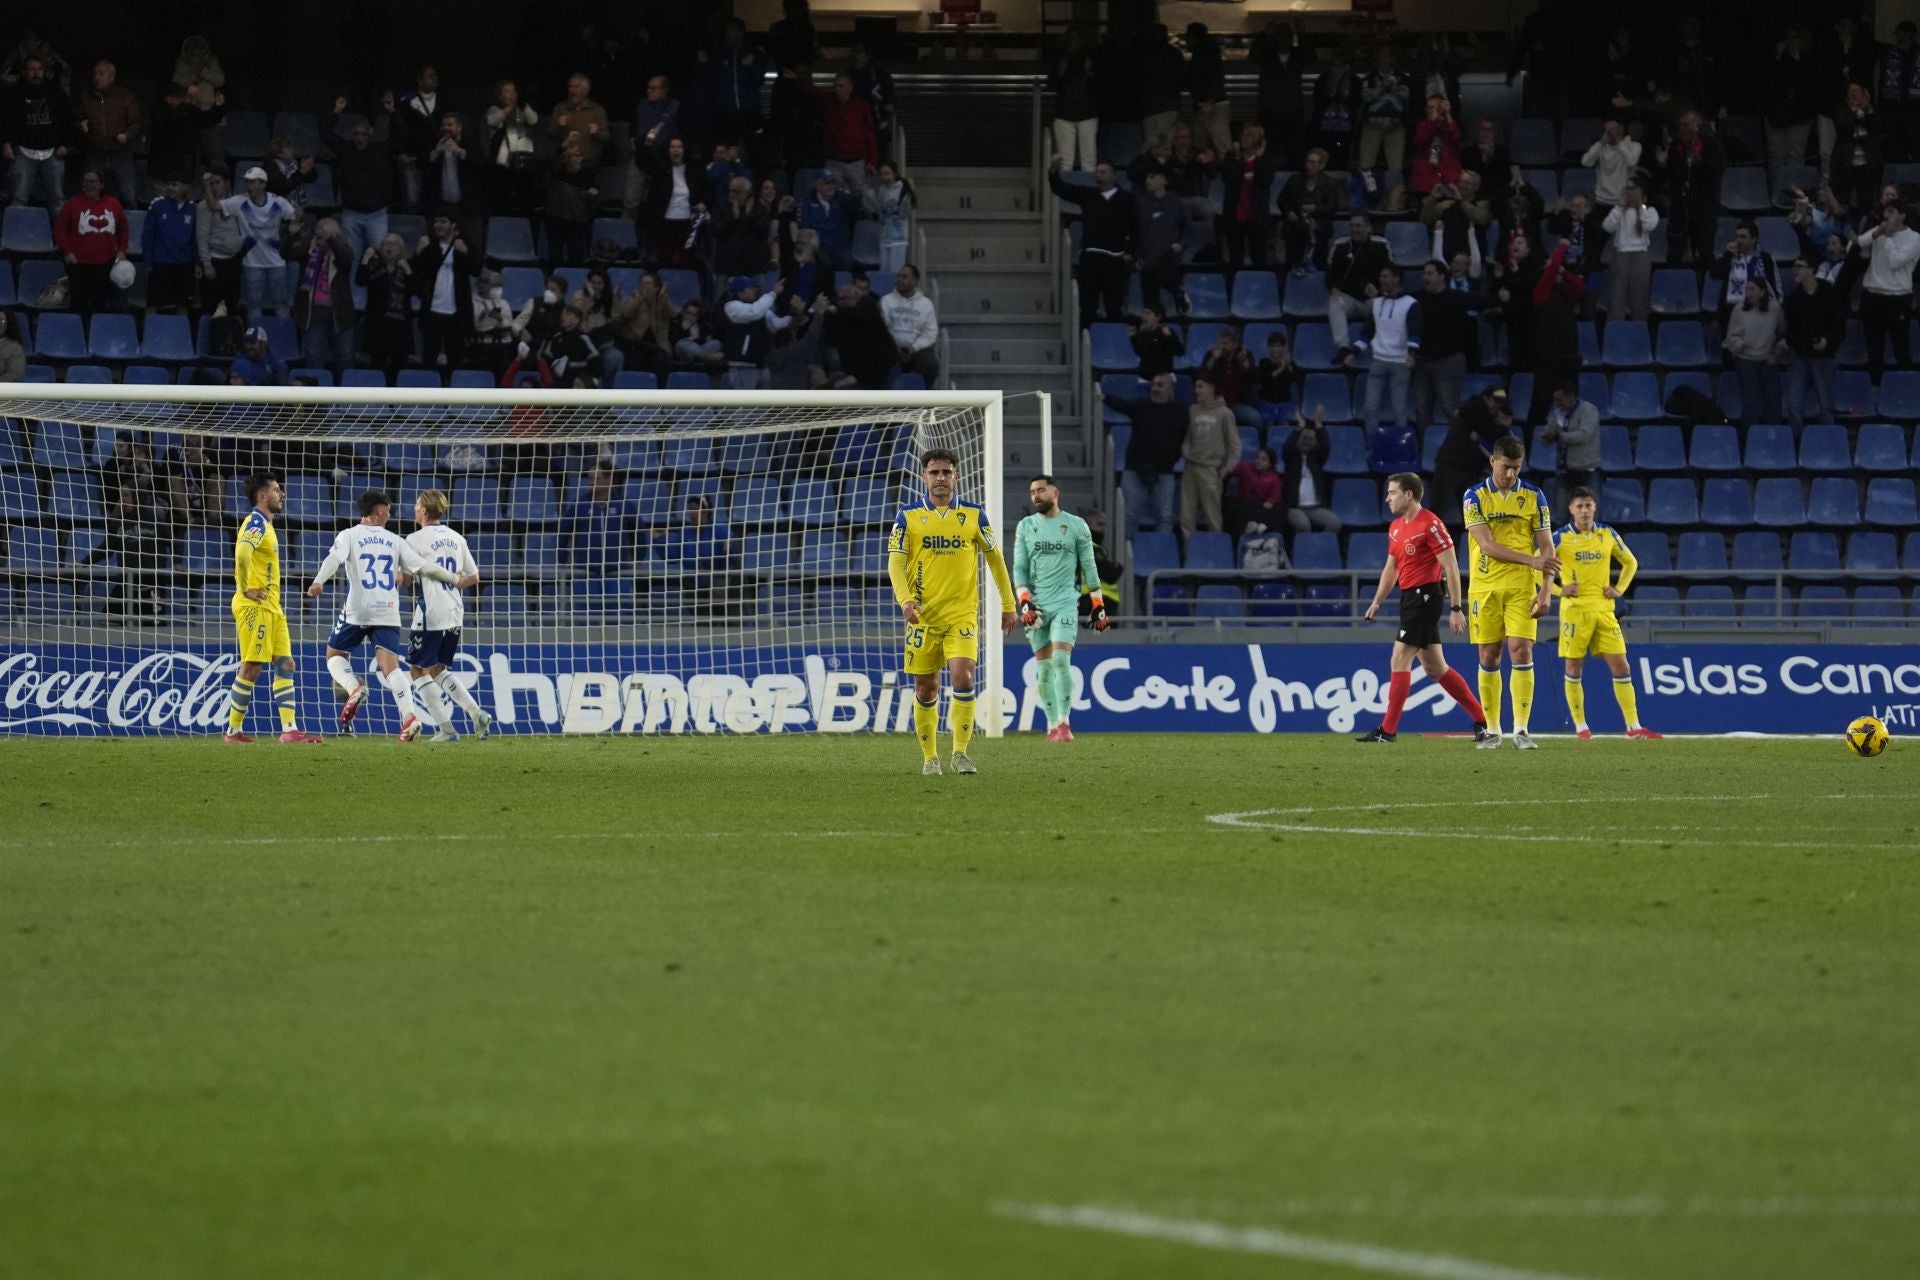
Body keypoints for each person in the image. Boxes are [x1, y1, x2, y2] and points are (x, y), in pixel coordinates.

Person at [887, 449, 1017, 776]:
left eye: (946, 472)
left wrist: (1008, 604)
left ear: (956, 476)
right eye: (934, 472)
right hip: (923, 617)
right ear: (924, 477)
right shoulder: (908, 516)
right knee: (926, 688)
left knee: (963, 676)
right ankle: (930, 758)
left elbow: (996, 560)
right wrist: (905, 600)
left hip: (962, 616)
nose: (941, 478)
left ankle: (960, 753)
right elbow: (895, 563)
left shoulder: (974, 515)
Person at [307, 489, 461, 742]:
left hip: (359, 609)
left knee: (334, 654)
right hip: (388, 611)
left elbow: (334, 558)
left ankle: (354, 688)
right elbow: (423, 567)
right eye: (388, 511)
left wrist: (318, 581)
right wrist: (453, 578)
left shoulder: (349, 535)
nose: (390, 515)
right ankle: (409, 717)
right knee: (391, 668)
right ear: (378, 512)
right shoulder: (395, 540)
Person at [1355, 473, 1491, 744]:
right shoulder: (1395, 527)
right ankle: (1482, 720)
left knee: (1399, 657)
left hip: (1426, 597)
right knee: (1435, 668)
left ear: (1409, 494)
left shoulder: (1431, 524)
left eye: (1392, 492)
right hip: (1410, 599)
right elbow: (1391, 568)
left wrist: (1456, 607)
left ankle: (1387, 731)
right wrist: (1377, 601)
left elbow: (1451, 566)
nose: (1387, 498)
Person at [1462, 435, 1559, 750]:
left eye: (1516, 468)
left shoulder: (1534, 496)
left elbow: (1547, 548)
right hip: (1485, 587)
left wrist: (1546, 591)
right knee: (1489, 655)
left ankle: (1521, 730)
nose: (1510, 474)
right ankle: (1492, 730)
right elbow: (1487, 546)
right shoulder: (1474, 497)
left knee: (1522, 650)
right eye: (1505, 467)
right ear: (1493, 461)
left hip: (1521, 587)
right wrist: (1531, 560)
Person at [1552, 487, 1662, 741]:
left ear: (1594, 508)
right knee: (1574, 667)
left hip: (1604, 611)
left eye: (1588, 506)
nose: (1584, 511)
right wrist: (1559, 590)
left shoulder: (1607, 533)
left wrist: (1619, 589)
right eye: (1579, 506)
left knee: (1621, 665)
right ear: (1571, 509)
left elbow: (1631, 562)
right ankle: (1581, 727)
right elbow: (1536, 567)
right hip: (1575, 612)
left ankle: (1633, 726)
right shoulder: (1560, 537)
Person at [223, 474, 324, 744]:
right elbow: (242, 553)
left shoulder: (266, 525)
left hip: (272, 607)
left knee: (286, 664)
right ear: (262, 496)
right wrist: (244, 588)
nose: (282, 494)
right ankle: (233, 731)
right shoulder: (255, 522)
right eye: (277, 490)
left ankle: (289, 729)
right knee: (252, 666)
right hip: (254, 606)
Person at [1014, 474, 1109, 743]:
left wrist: (1098, 603)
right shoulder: (1026, 526)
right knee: (1043, 668)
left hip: (1066, 602)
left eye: (1041, 490)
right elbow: (1019, 567)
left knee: (1060, 660)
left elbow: (1089, 565)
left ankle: (1065, 723)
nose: (1036, 495)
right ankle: (1052, 724)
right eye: (1032, 492)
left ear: (1056, 493)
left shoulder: (1076, 525)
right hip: (1036, 606)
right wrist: (1024, 601)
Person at [401, 488, 489, 743]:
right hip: (454, 611)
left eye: (417, 505)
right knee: (437, 668)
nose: (414, 508)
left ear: (424, 510)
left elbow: (405, 580)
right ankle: (476, 713)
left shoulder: (414, 539)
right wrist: (453, 581)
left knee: (417, 670)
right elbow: (474, 577)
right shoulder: (456, 538)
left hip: (431, 612)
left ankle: (447, 730)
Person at [1048, 153, 1135, 329]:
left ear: (1113, 175)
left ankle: (1112, 341)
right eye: (1097, 172)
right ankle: (1084, 339)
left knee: (1114, 307)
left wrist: (1130, 251)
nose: (1098, 176)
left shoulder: (1126, 199)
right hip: (1091, 257)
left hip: (1114, 259)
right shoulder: (1088, 194)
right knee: (1087, 307)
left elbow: (1135, 228)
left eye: (1103, 172)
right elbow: (1060, 188)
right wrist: (1054, 169)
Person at [1097, 372, 1183, 533]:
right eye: (1154, 385)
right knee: (1130, 515)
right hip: (1135, 468)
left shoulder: (1180, 412)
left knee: (1165, 517)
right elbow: (1123, 405)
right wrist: (1105, 397)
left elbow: (1184, 438)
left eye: (1160, 385)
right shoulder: (1140, 406)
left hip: (1165, 471)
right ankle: (1125, 548)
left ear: (1170, 388)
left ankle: (1161, 549)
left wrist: (1173, 458)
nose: (1155, 388)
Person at [220, 167, 297, 318]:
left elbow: (295, 214)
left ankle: (283, 331)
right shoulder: (239, 201)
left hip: (276, 261)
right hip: (252, 263)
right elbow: (215, 206)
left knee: (281, 304)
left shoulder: (277, 200)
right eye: (247, 182)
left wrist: (293, 226)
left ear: (263, 184)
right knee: (254, 305)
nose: (248, 185)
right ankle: (254, 333)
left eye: (252, 182)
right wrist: (207, 185)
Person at [1855, 201, 1920, 380]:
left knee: (1901, 348)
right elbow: (1860, 242)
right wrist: (1877, 233)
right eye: (1885, 212)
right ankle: (1875, 389)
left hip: (1897, 298)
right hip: (1872, 296)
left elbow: (1896, 262)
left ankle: (1905, 387)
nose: (1886, 216)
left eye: (1891, 212)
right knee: (1874, 349)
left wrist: (1889, 237)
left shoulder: (1915, 238)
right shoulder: (1880, 231)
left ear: (1902, 216)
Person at [1782, 255, 1844, 429]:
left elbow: (1839, 326)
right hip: (1800, 356)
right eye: (1794, 266)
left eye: (1799, 266)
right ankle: (1796, 439)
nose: (1795, 270)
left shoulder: (1829, 293)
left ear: (1811, 270)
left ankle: (1827, 439)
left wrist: (1827, 342)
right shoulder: (1794, 298)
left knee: (1826, 404)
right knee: (1794, 403)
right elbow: (1790, 330)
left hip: (1823, 357)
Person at [54, 168, 128, 316]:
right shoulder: (72, 203)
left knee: (99, 304)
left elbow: (123, 229)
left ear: (101, 185)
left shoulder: (113, 203)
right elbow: (59, 229)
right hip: (78, 263)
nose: (89, 185)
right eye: (86, 181)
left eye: (93, 181)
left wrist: (121, 250)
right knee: (77, 304)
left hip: (105, 262)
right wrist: (67, 252)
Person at [289, 216, 357, 375]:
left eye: (327, 232)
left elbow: (344, 258)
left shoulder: (344, 250)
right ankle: (316, 390)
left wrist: (331, 240)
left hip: (340, 313)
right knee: (314, 357)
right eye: (320, 230)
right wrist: (294, 236)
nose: (322, 235)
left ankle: (346, 390)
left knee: (345, 357)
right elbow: (287, 254)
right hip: (313, 313)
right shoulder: (308, 251)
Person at [1358, 264, 1420, 435]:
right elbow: (1368, 331)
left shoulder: (1410, 304)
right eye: (1381, 276)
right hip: (1378, 361)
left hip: (1400, 363)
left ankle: (1400, 446)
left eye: (1385, 276)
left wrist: (1412, 354)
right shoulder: (1376, 303)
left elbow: (1415, 332)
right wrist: (1353, 352)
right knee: (1369, 408)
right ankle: (1372, 445)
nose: (1381, 280)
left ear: (1396, 279)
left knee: (1399, 410)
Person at [3, 54, 68, 210]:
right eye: (32, 69)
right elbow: (5, 120)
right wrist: (6, 143)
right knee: (18, 197)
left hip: (52, 152)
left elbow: (66, 119)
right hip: (23, 151)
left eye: (39, 69)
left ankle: (60, 227)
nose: (36, 73)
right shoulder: (13, 93)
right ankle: (17, 227)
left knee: (57, 199)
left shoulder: (56, 92)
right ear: (25, 71)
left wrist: (65, 144)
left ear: (44, 71)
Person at [1411, 259, 1470, 431]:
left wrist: (1501, 297)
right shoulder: (1416, 299)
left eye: (1430, 273)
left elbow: (1481, 301)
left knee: (1449, 406)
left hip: (1448, 361)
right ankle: (1424, 444)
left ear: (1442, 276)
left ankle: (1463, 441)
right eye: (1424, 274)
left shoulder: (1456, 297)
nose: (1425, 277)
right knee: (1421, 407)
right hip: (1422, 361)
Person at [411, 211, 474, 368]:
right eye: (436, 222)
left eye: (443, 221)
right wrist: (417, 252)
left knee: (455, 361)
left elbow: (476, 270)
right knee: (428, 360)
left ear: (453, 225)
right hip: (431, 311)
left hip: (456, 313)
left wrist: (466, 253)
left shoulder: (463, 245)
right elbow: (414, 274)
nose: (438, 225)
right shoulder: (429, 246)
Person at [73, 59, 139, 207]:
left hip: (120, 153)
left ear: (111, 76)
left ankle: (129, 221)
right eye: (95, 73)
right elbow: (77, 118)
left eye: (101, 74)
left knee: (127, 194)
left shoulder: (125, 96)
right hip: (95, 152)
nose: (96, 77)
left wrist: (127, 135)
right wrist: (81, 125)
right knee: (91, 194)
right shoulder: (86, 97)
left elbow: (135, 122)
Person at [1180, 375, 1239, 539]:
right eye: (1196, 387)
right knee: (1186, 516)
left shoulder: (1225, 413)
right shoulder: (1193, 410)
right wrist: (1185, 451)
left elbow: (1234, 446)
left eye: (1200, 386)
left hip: (1211, 468)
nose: (1196, 390)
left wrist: (1227, 468)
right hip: (1191, 467)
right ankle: (1188, 549)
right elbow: (1188, 437)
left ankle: (1217, 549)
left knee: (1213, 516)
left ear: (1212, 388)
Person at [1326, 213, 1391, 362]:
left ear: (1368, 228)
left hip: (1372, 299)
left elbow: (1391, 272)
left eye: (1358, 226)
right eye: (1352, 226)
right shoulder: (1340, 246)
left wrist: (1380, 290)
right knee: (1335, 302)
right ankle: (1343, 347)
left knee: (1386, 305)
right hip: (1348, 297)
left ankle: (1382, 349)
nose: (1354, 229)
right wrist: (1334, 289)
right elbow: (1330, 274)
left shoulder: (1381, 245)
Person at [356, 233, 414, 383]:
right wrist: (365, 259)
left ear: (401, 249)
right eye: (385, 243)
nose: (389, 246)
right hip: (378, 325)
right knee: (377, 366)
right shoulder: (374, 266)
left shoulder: (407, 266)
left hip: (400, 326)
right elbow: (360, 281)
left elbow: (415, 289)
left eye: (393, 244)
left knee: (399, 367)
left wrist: (408, 270)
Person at [1537, 379, 1599, 513]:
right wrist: (1546, 437)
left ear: (1571, 397)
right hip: (1564, 471)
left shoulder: (1588, 410)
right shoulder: (1556, 412)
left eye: (1559, 400)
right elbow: (1548, 437)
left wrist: (1559, 436)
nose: (1556, 403)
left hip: (1586, 471)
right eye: (1555, 400)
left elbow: (1584, 435)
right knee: (1560, 515)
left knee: (1587, 517)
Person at [1601, 180, 1659, 322]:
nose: (1631, 194)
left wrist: (1640, 207)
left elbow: (1650, 225)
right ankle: (1615, 329)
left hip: (1640, 255)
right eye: (1628, 190)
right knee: (1617, 296)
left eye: (1634, 190)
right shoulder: (1619, 211)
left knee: (1639, 297)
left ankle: (1640, 328)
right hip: (1620, 254)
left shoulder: (1650, 211)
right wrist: (1619, 207)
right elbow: (1607, 227)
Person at [879, 263, 939, 386]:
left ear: (915, 281)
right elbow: (882, 328)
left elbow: (930, 333)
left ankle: (925, 394)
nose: (899, 280)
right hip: (891, 348)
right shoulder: (886, 300)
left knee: (930, 364)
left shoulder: (926, 304)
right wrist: (894, 346)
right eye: (898, 276)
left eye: (904, 277)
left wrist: (914, 347)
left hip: (916, 350)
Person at [1282, 409, 1341, 534]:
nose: (1307, 442)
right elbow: (1288, 446)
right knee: (1304, 524)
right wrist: (1299, 428)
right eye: (1304, 438)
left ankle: (1321, 544)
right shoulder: (1291, 459)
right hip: (1294, 507)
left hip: (1314, 508)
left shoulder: (1317, 461)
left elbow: (1326, 447)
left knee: (1335, 523)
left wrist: (1319, 426)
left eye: (1310, 439)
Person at [1049, 29, 1099, 171]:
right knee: (1087, 160)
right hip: (1084, 112)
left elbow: (1051, 84)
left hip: (1067, 112)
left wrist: (1061, 73)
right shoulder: (1089, 60)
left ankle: (1065, 184)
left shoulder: (1062, 60)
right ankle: (1087, 184)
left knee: (1067, 161)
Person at [1228, 446, 1285, 536]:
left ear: (1270, 464)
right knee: (1237, 507)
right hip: (1245, 503)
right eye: (1257, 457)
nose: (1258, 461)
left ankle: (1260, 527)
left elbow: (1275, 496)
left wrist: (1270, 502)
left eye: (1263, 459)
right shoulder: (1245, 467)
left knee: (1277, 509)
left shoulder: (1274, 478)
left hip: (1262, 505)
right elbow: (1230, 470)